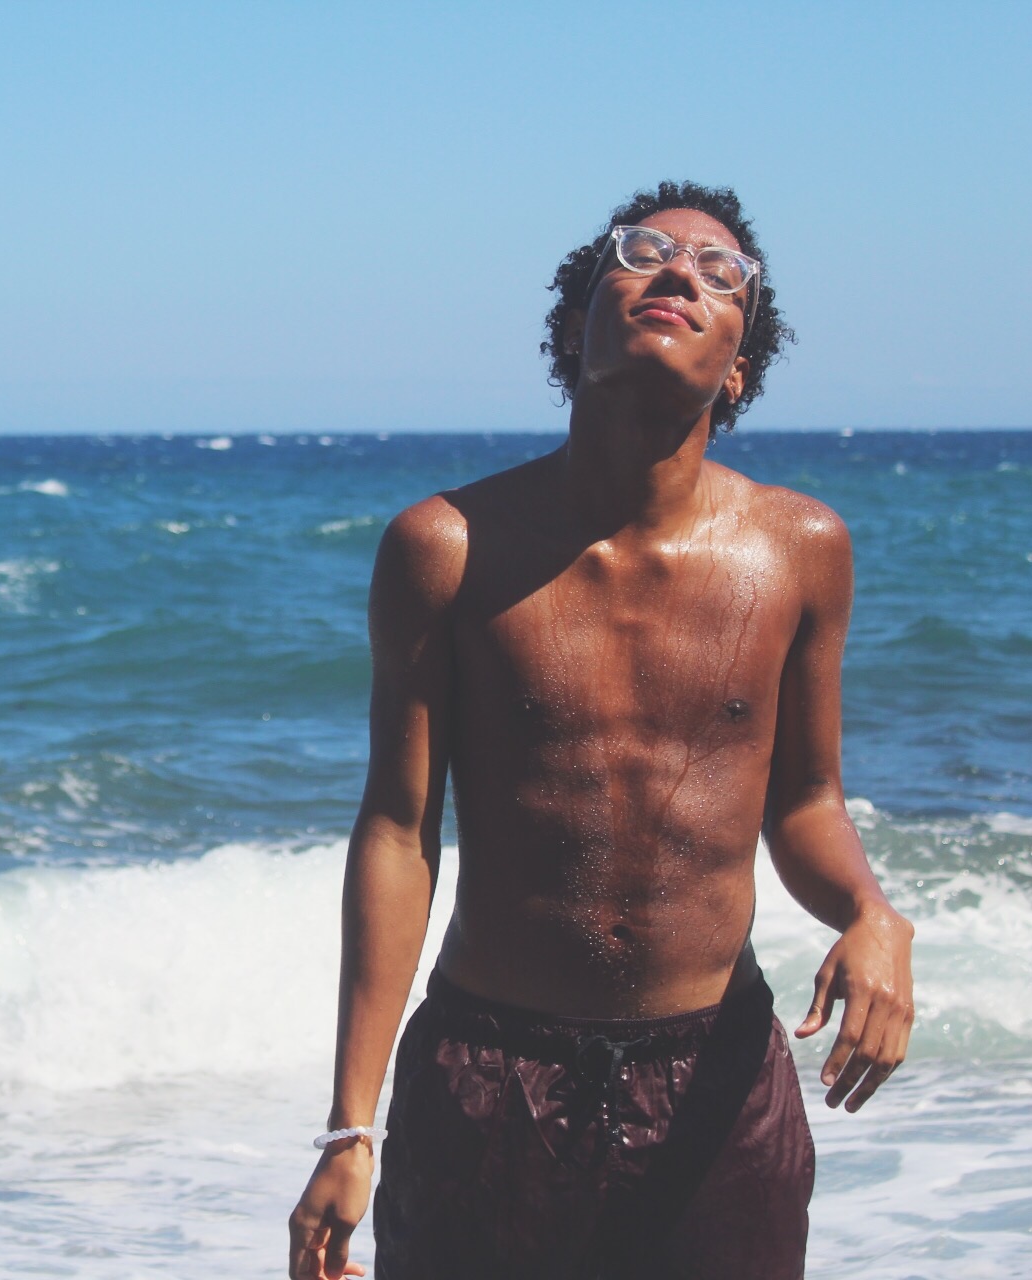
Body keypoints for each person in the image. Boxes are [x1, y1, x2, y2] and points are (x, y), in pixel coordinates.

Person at [286, 181, 915, 1279]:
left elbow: (806, 800)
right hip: (489, 1078)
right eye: (642, 253)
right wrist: (351, 1125)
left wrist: (870, 911)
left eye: (721, 274)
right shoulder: (445, 547)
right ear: (574, 328)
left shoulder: (800, 549)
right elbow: (396, 829)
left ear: (739, 369)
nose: (678, 272)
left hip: (711, 1086)